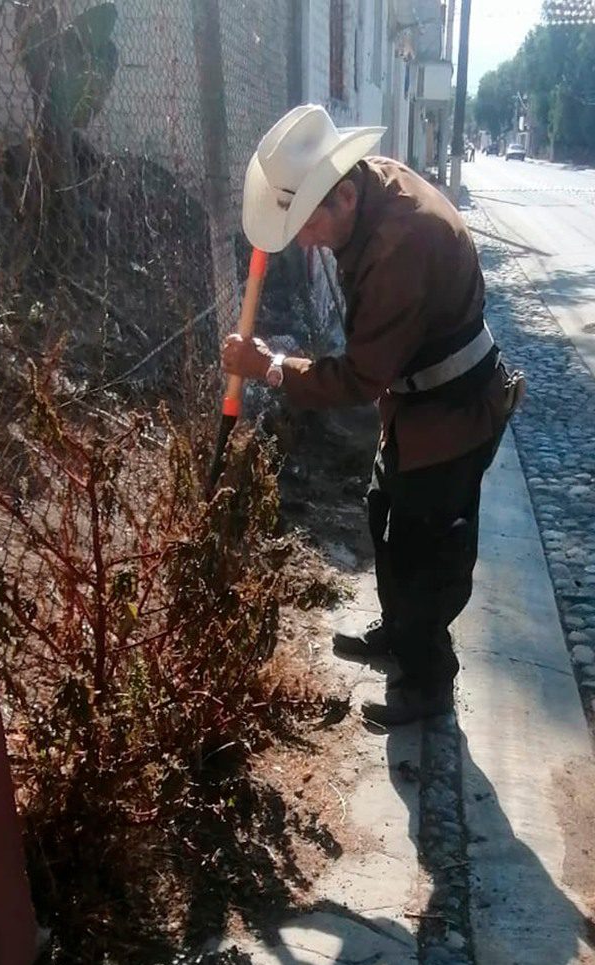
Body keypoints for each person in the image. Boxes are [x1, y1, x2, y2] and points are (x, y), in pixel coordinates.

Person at [221, 104, 521, 727]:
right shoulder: (370, 196)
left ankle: (428, 682)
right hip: (416, 404)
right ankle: (399, 634)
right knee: (385, 512)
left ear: (346, 197)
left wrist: (272, 367)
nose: (302, 241)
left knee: (426, 546)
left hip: (452, 415)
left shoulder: (399, 245)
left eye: (306, 224)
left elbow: (359, 377)